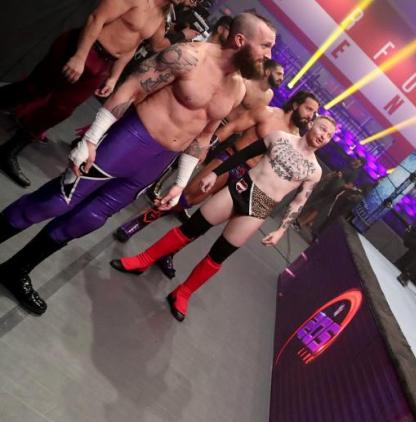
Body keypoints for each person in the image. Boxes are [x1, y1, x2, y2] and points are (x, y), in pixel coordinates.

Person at [0, 11, 277, 315]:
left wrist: (181, 182)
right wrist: (91, 139)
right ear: (240, 40)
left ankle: (16, 269)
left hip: (154, 164)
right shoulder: (188, 57)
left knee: (87, 220)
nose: (268, 55)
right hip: (127, 143)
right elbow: (131, 88)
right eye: (265, 46)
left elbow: (204, 133)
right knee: (55, 201)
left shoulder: (237, 89)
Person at [110, 116, 335, 321]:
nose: (324, 135)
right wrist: (215, 173)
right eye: (322, 128)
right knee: (190, 229)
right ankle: (143, 260)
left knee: (219, 255)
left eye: (329, 135)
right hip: (241, 188)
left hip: (260, 207)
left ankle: (183, 293)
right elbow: (243, 155)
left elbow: (299, 202)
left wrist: (281, 230)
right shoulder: (279, 137)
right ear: (311, 124)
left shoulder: (315, 171)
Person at [113, 90, 320, 278]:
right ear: (296, 104)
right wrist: (206, 147)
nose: (310, 115)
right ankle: (136, 224)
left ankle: (168, 254)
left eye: (314, 113)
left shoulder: (295, 139)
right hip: (230, 161)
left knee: (203, 223)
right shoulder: (267, 113)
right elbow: (232, 127)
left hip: (249, 180)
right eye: (308, 109)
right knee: (185, 199)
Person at [0, 0, 190, 187]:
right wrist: (80, 55)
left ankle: (9, 151)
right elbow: (96, 18)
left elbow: (138, 45)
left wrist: (114, 77)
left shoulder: (159, 16)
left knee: (61, 110)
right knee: (33, 90)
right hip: (85, 48)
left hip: (103, 64)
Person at [146, 57, 282, 200]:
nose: (281, 78)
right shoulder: (245, 83)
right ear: (267, 71)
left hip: (233, 135)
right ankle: (156, 182)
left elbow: (250, 118)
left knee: (203, 164)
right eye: (278, 73)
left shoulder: (269, 95)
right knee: (188, 152)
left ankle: (174, 192)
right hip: (218, 124)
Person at [297, 155, 364, 231]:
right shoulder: (347, 165)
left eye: (358, 160)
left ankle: (302, 223)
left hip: (335, 190)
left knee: (318, 207)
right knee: (314, 202)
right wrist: (325, 178)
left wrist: (341, 180)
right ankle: (302, 219)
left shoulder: (354, 174)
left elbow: (349, 185)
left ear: (360, 164)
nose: (356, 160)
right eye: (357, 158)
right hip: (330, 185)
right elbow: (335, 172)